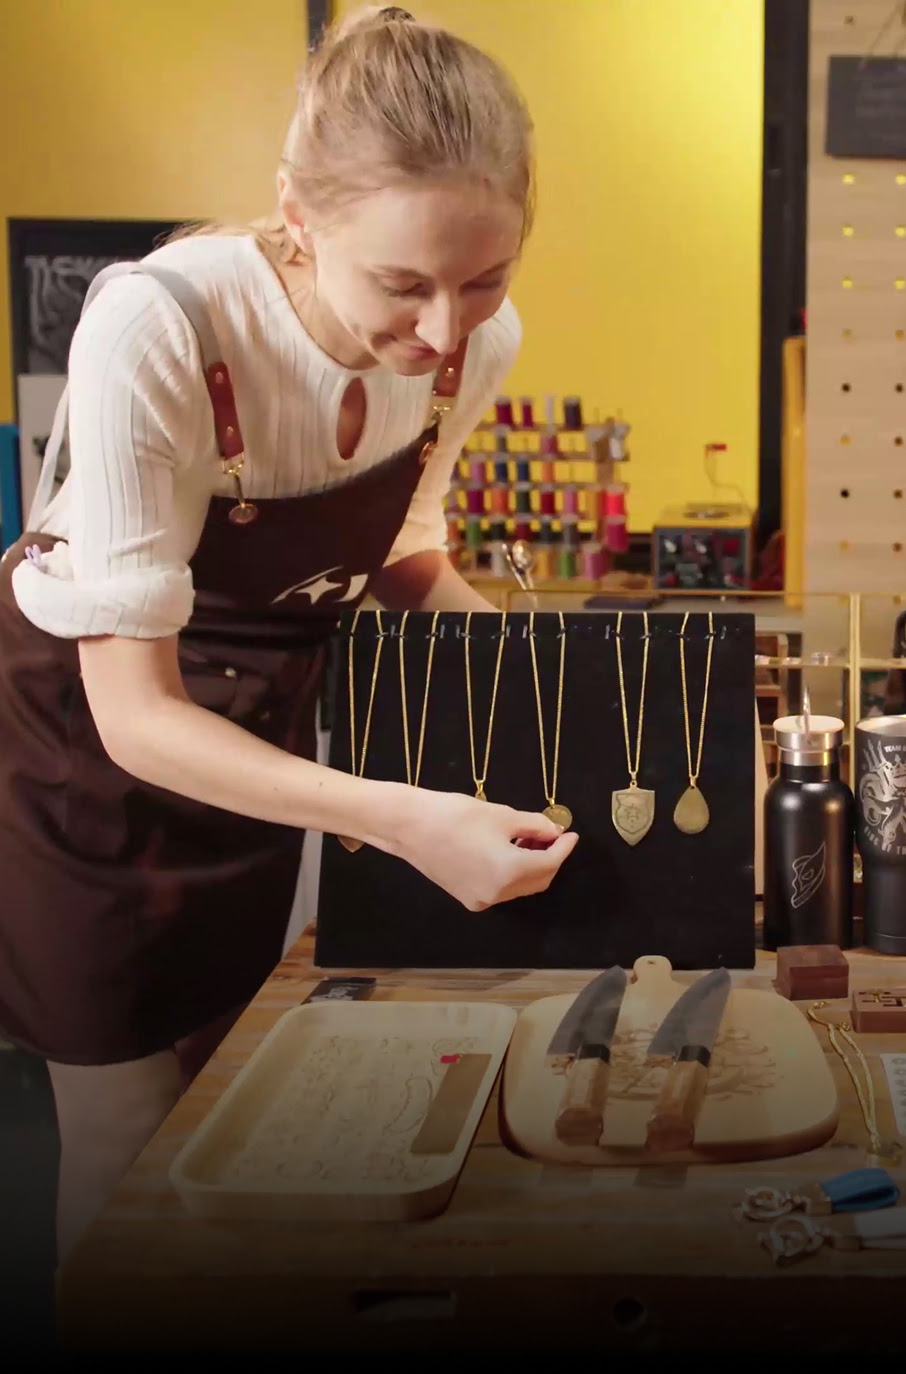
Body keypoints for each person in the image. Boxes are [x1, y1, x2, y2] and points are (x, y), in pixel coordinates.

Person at [0, 6, 578, 1262]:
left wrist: (564, 689)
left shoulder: (473, 345)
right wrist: (407, 816)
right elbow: (137, 712)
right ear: (298, 219)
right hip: (93, 751)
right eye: (403, 284)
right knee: (126, 1121)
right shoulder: (164, 325)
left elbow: (406, 555)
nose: (445, 331)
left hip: (261, 731)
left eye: (485, 278)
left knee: (232, 1081)